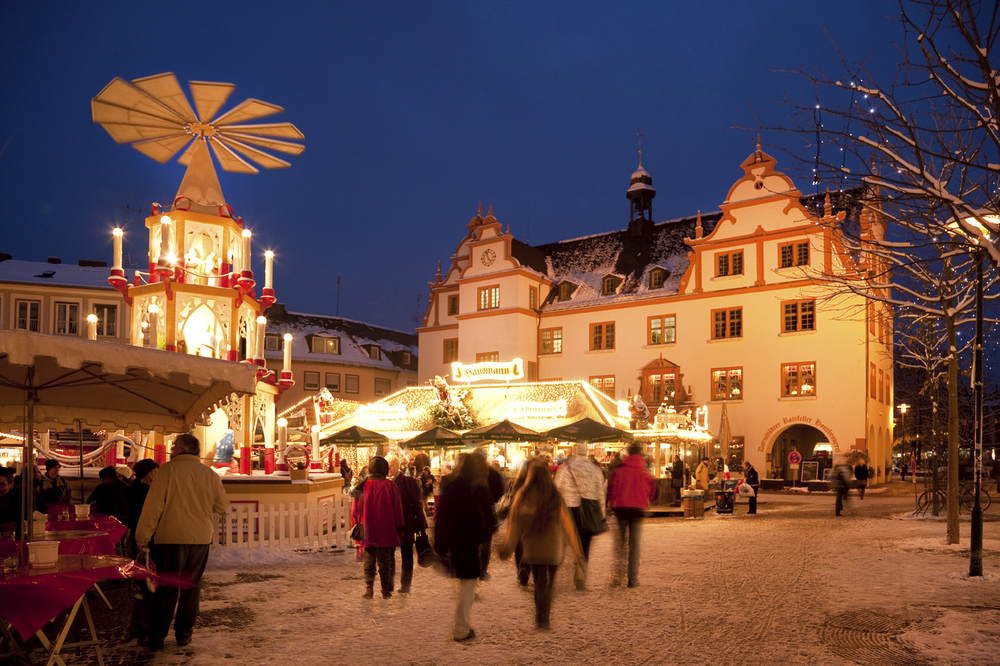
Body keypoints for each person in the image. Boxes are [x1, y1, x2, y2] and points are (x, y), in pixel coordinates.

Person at [135, 434, 228, 649]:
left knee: (167, 587)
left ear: (184, 448)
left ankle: (158, 635)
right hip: (200, 538)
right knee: (191, 587)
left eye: (175, 445)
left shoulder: (168, 470)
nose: (172, 448)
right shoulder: (209, 474)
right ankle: (184, 634)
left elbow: (153, 507)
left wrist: (142, 537)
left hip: (171, 537)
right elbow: (222, 505)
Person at [500, 464, 583, 630]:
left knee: (539, 582)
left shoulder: (522, 496)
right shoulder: (554, 496)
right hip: (553, 549)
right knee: (549, 584)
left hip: (533, 549)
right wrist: (577, 552)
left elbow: (514, 526)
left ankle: (541, 617)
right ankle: (545, 616)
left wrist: (507, 549)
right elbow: (568, 526)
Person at [433, 452, 495, 642]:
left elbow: (442, 516)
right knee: (468, 586)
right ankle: (461, 628)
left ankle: (462, 625)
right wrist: (485, 535)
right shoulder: (478, 488)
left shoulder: (452, 486)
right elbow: (489, 517)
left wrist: (440, 544)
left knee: (466, 585)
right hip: (470, 542)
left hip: (456, 541)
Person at [553, 442, 606, 588]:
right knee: (584, 545)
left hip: (568, 510)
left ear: (575, 452)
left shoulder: (564, 468)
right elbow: (600, 493)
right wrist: (602, 514)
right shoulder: (595, 469)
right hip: (588, 511)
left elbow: (556, 489)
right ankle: (580, 577)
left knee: (562, 542)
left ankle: (553, 575)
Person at [352, 456, 404, 599]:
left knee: (368, 559)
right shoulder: (391, 486)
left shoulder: (363, 486)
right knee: (385, 560)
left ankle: (369, 589)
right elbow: (397, 509)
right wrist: (400, 527)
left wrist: (355, 523)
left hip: (368, 529)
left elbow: (354, 510)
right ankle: (385, 590)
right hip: (387, 529)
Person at [606, 444, 653, 588]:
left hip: (620, 509)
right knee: (634, 546)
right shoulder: (645, 472)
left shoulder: (619, 470)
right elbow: (652, 491)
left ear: (627, 453)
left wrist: (609, 503)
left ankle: (617, 578)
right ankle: (632, 579)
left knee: (619, 546)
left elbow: (612, 488)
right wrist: (647, 500)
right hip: (637, 510)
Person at [126, 459, 159, 642]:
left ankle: (140, 624)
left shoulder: (136, 489)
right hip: (145, 541)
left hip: (141, 539)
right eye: (156, 470)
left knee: (144, 582)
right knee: (146, 583)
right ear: (149, 473)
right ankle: (142, 624)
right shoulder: (144, 492)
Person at [389, 456, 426, 594]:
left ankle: (405, 585)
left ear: (397, 466)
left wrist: (420, 522)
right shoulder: (386, 483)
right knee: (389, 554)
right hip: (391, 525)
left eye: (391, 466)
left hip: (407, 523)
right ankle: (390, 583)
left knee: (407, 554)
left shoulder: (408, 481)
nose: (389, 469)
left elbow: (417, 503)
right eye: (388, 466)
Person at [480, 457, 506, 580]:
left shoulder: (472, 478)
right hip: (491, 507)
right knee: (486, 543)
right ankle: (483, 570)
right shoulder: (495, 474)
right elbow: (502, 491)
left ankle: (477, 569)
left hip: (476, 512)